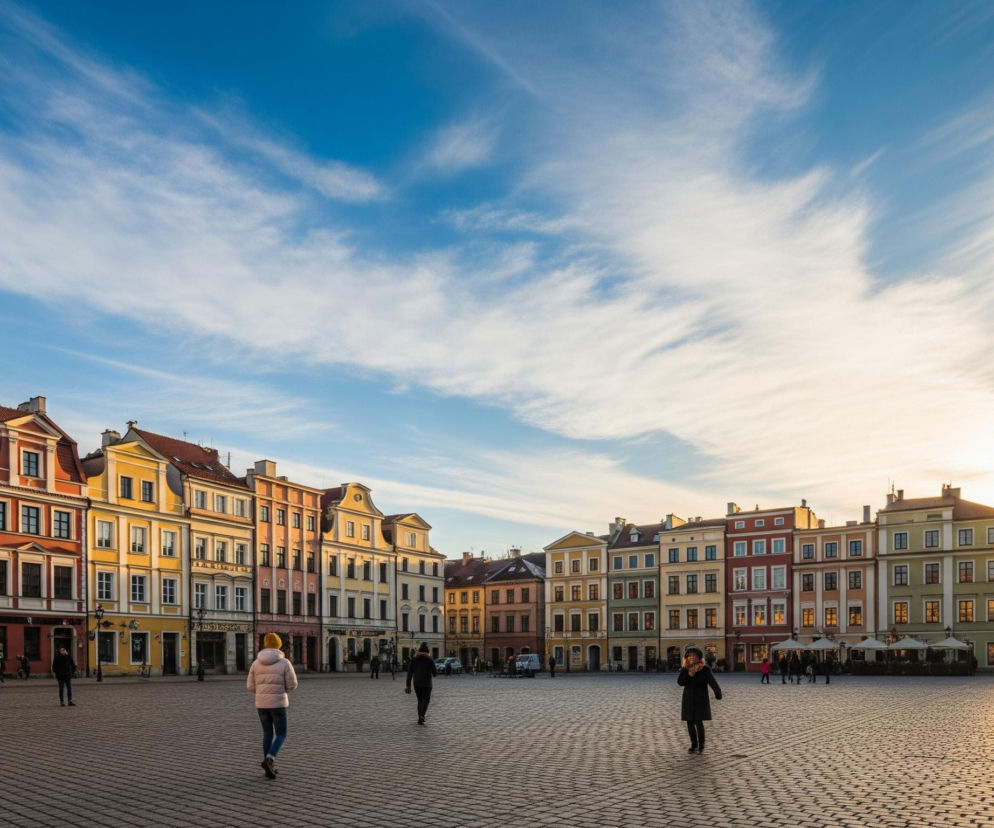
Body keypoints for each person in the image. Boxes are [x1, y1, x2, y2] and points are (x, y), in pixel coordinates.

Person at [247, 633, 298, 780]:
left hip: (261, 704)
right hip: (278, 703)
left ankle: (268, 767)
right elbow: (292, 684)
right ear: (278, 644)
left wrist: (262, 692)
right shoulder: (284, 663)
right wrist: (283, 691)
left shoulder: (256, 663)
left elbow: (250, 686)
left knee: (267, 733)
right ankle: (270, 759)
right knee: (281, 734)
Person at [677, 644, 722, 754]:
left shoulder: (705, 669)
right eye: (689, 655)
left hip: (700, 699)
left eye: (694, 655)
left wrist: (717, 692)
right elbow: (680, 682)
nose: (691, 657)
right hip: (688, 699)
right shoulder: (685, 669)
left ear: (699, 657)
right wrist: (689, 675)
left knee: (698, 722)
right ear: (686, 657)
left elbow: (712, 681)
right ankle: (693, 745)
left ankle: (701, 745)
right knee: (689, 722)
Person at [405, 642, 437, 725]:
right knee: (426, 700)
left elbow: (409, 673)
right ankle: (422, 716)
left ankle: (420, 717)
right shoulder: (430, 659)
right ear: (427, 651)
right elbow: (435, 673)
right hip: (427, 683)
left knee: (419, 700)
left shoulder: (414, 659)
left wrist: (408, 685)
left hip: (417, 683)